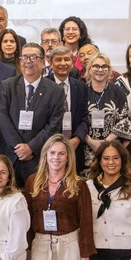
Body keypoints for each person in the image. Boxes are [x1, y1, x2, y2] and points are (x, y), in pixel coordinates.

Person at [0, 43, 64, 185]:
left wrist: (31, 148)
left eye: (33, 57)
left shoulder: (55, 91)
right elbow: (3, 118)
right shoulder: (7, 85)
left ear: (43, 62)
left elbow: (54, 125)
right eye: (24, 57)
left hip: (38, 158)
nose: (28, 61)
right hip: (10, 156)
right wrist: (19, 148)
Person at [83, 52, 131, 172]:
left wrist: (106, 143)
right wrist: (91, 142)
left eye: (104, 66)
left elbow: (124, 120)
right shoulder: (81, 90)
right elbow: (77, 120)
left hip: (112, 149)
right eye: (96, 66)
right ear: (89, 69)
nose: (100, 70)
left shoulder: (118, 91)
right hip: (86, 150)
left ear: (109, 70)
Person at [45, 45, 90, 173]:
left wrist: (76, 139)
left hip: (74, 148)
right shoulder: (43, 86)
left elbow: (85, 118)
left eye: (67, 59)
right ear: (50, 63)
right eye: (58, 60)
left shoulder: (81, 87)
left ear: (72, 63)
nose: (63, 63)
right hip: (50, 149)